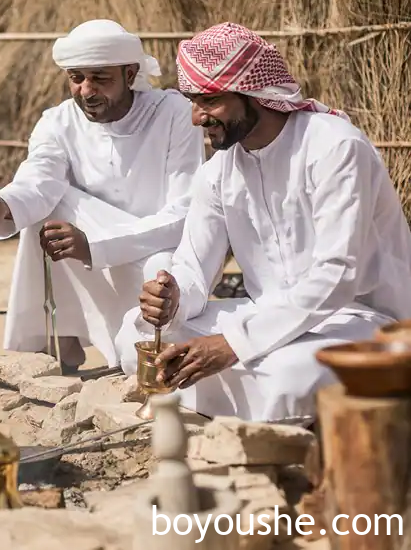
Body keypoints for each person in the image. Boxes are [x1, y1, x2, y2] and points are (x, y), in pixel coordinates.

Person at [117, 22, 411, 421]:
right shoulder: (219, 170)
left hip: (363, 322)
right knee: (133, 331)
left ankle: (206, 398)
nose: (196, 117)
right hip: (267, 313)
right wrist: (173, 301)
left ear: (254, 94)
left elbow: (338, 274)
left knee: (288, 377)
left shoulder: (334, 147)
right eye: (192, 101)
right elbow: (192, 266)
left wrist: (233, 344)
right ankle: (230, 396)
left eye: (209, 101)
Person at [0, 19, 206, 373]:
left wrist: (96, 245)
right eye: (76, 78)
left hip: (158, 245)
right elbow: (39, 178)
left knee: (159, 280)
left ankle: (139, 360)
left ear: (130, 74)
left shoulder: (174, 114)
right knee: (44, 209)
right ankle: (56, 348)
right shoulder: (58, 122)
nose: (86, 90)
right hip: (89, 240)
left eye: (100, 78)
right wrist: (5, 205)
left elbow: (184, 213)